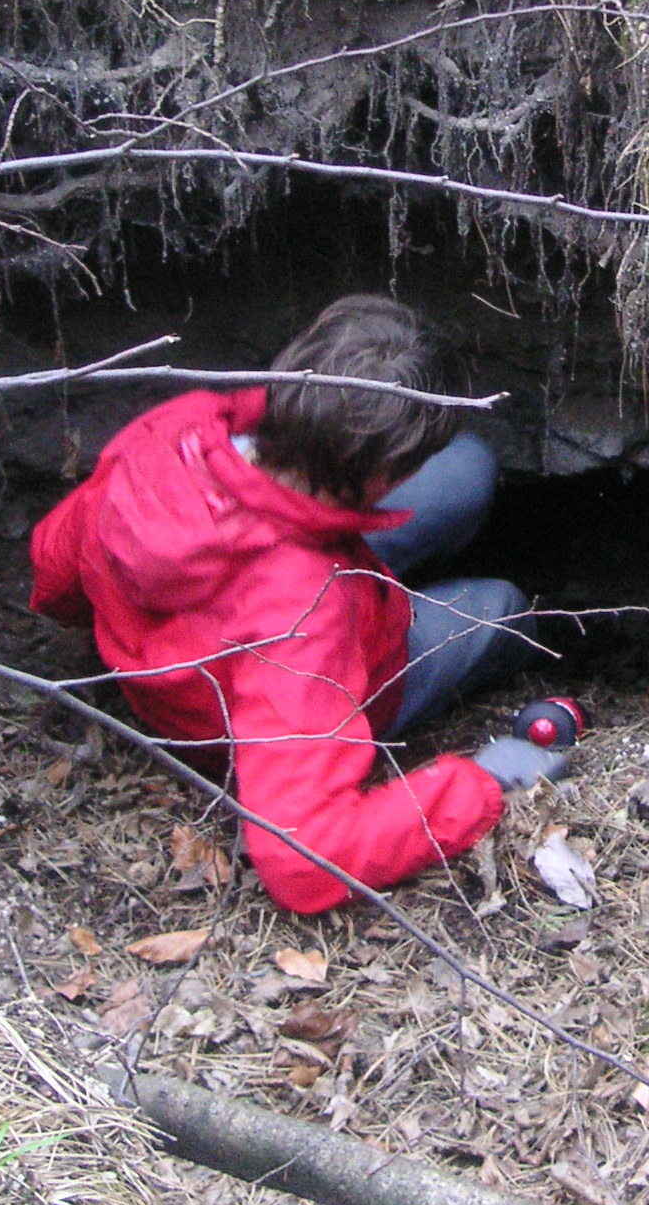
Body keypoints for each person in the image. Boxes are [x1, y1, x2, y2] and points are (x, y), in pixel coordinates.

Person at [28, 295, 562, 914]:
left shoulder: (180, 432)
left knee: (469, 469)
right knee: (501, 605)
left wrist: (121, 639)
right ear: (384, 477)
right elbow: (305, 861)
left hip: (260, 583)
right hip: (283, 695)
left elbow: (53, 566)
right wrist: (482, 783)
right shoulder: (303, 616)